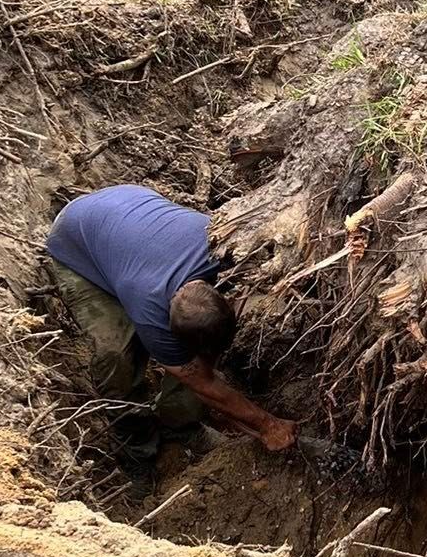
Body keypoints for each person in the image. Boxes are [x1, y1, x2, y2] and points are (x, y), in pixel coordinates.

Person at [45, 185, 296, 458]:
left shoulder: (222, 249)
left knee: (195, 353)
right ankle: (138, 447)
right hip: (75, 240)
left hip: (127, 207)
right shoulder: (151, 309)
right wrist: (267, 424)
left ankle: (181, 423)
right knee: (117, 356)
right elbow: (200, 381)